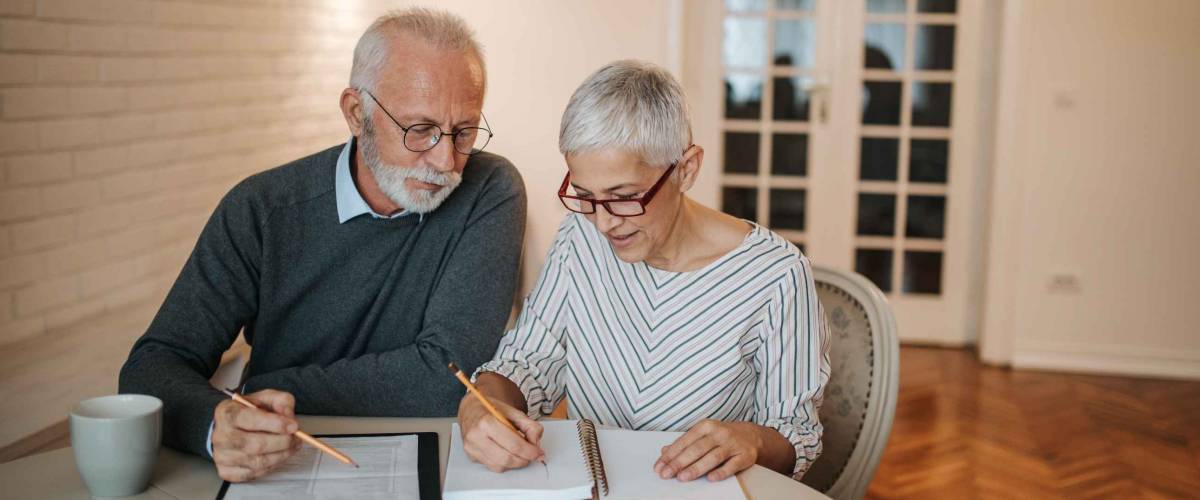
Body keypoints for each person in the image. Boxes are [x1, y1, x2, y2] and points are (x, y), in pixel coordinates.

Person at [118, 8, 526, 483]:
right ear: (357, 114)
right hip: (279, 469)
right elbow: (150, 368)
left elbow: (448, 377)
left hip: (434, 463)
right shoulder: (260, 209)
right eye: (420, 130)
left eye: (464, 131)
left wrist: (265, 386)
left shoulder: (490, 189)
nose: (445, 160)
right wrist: (218, 423)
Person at [457, 60, 829, 482]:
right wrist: (482, 399)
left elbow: (797, 433)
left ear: (686, 169)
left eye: (624, 196)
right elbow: (529, 359)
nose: (604, 222)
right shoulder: (580, 236)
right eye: (585, 195)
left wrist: (753, 441)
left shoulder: (777, 276)